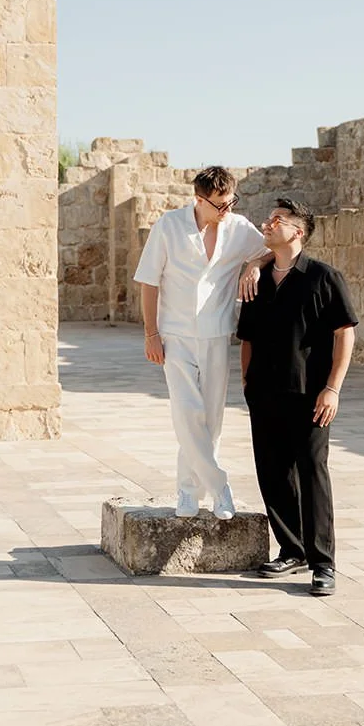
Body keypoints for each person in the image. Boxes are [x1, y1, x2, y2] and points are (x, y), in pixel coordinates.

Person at [237, 197, 358, 597]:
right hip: (264, 394)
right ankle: (292, 549)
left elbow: (344, 333)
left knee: (312, 475)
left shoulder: (324, 277)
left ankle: (323, 564)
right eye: (268, 219)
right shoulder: (256, 279)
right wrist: (246, 383)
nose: (267, 224)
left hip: (311, 396)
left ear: (298, 232)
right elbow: (247, 338)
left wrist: (333, 388)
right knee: (272, 473)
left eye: (277, 220)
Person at [134, 166, 270, 519]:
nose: (226, 211)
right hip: (175, 334)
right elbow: (149, 282)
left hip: (216, 333)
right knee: (187, 412)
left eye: (231, 203)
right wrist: (152, 334)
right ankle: (220, 488)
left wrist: (252, 266)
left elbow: (268, 250)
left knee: (211, 417)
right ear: (199, 199)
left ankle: (188, 492)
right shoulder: (169, 226)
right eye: (220, 205)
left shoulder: (238, 228)